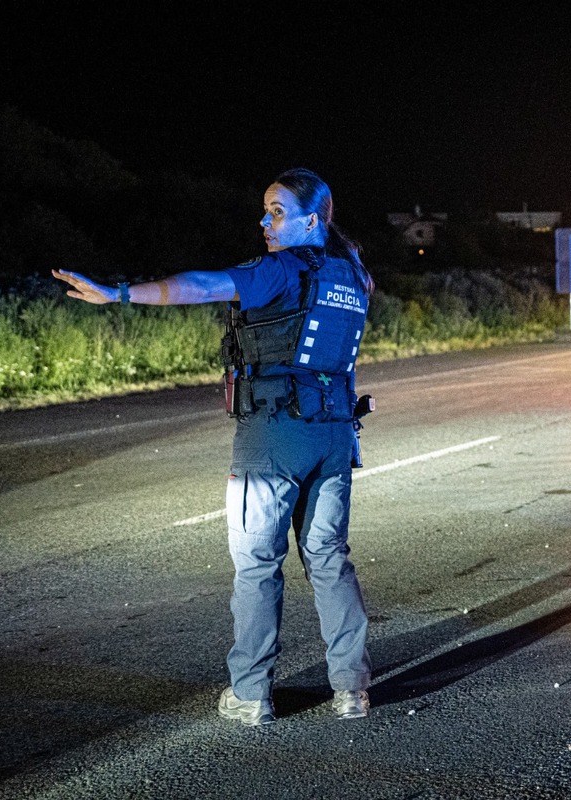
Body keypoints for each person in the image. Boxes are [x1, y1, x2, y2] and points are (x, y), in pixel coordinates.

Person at [53, 168, 375, 726]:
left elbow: (203, 284)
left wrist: (121, 294)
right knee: (328, 561)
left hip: (274, 433)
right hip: (335, 433)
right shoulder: (354, 276)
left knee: (256, 565)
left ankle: (251, 694)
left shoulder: (279, 269)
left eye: (276, 211)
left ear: (312, 219)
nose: (264, 221)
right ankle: (352, 690)